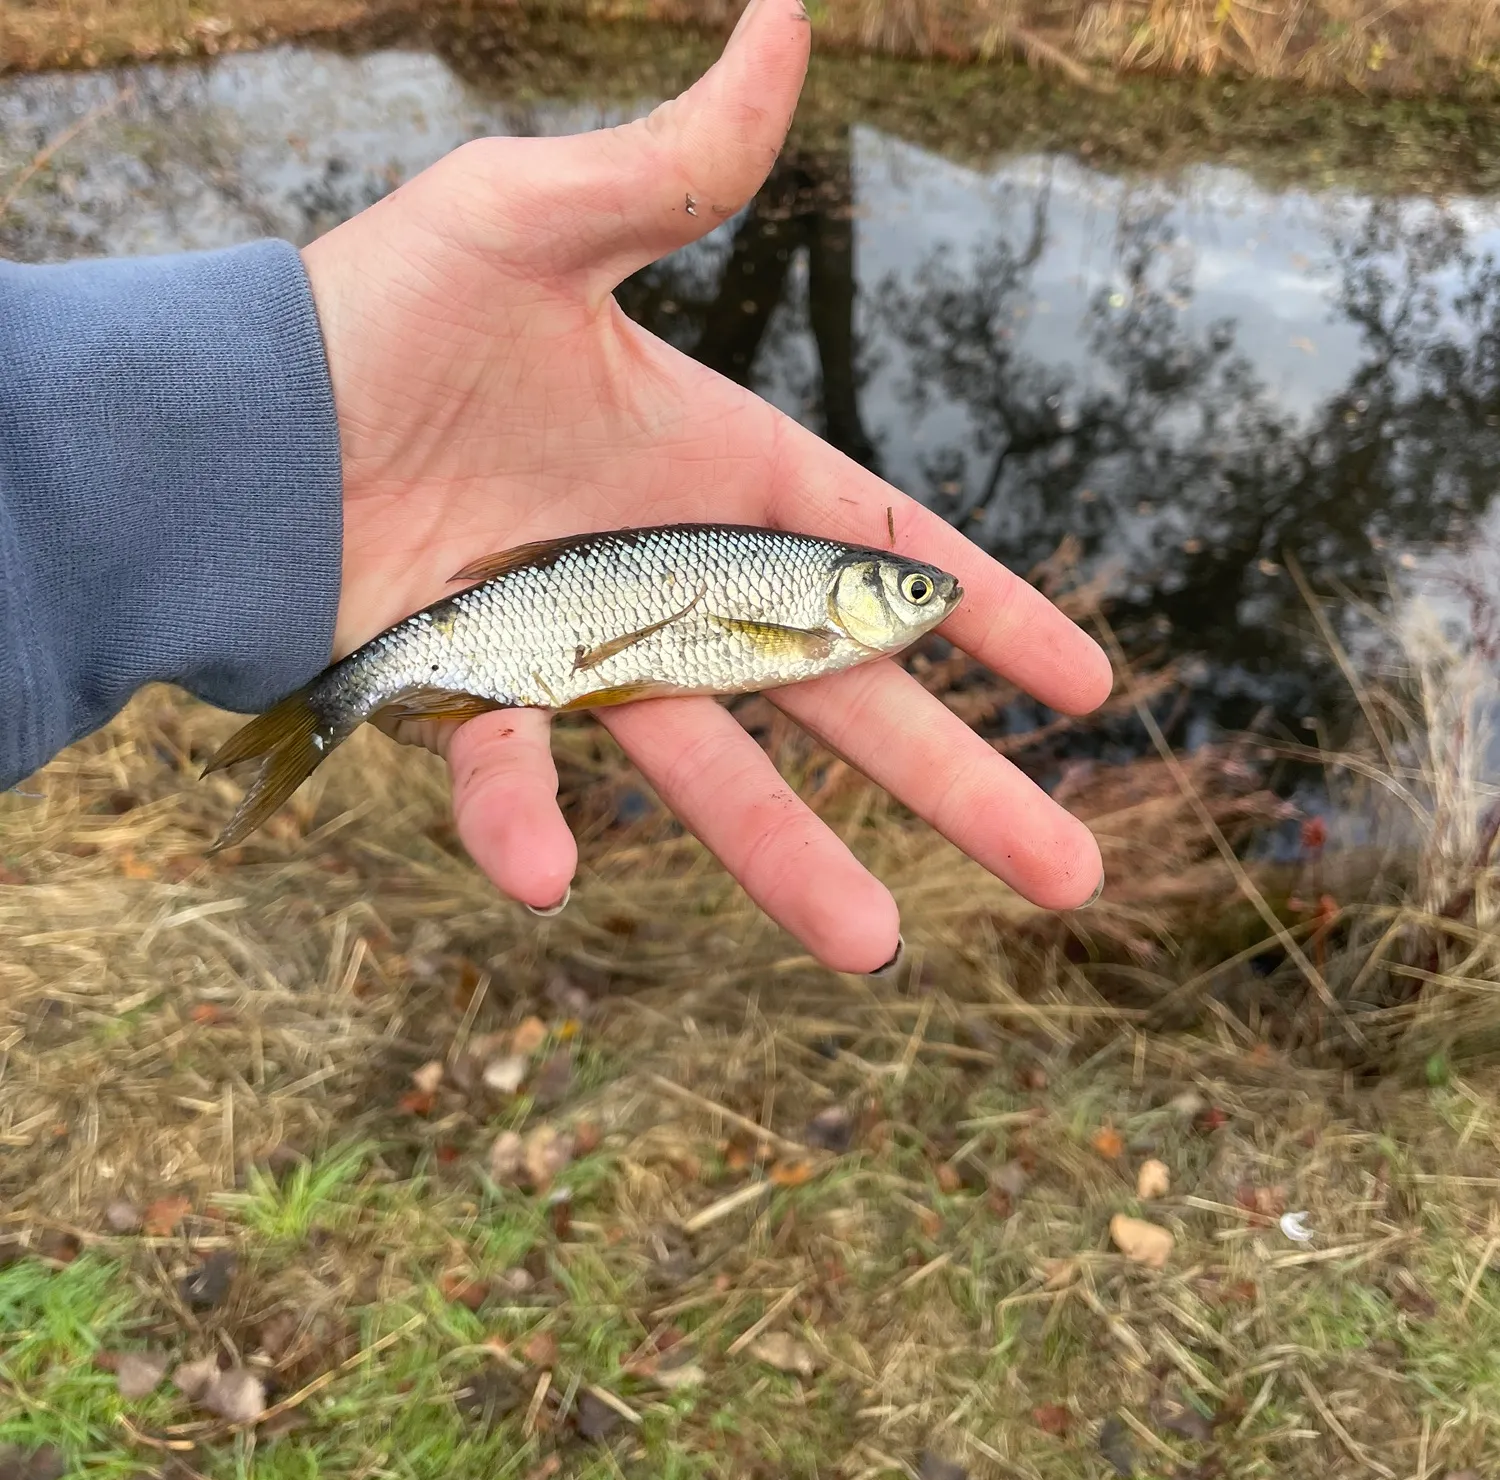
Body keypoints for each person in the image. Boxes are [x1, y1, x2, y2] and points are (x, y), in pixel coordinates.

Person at [0, 0, 1110, 974]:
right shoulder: (809, 616)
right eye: (911, 592)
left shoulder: (805, 612)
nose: (930, 601)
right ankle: (323, 714)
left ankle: (320, 716)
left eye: (916, 595)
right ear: (853, 591)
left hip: (525, 631)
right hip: (519, 628)